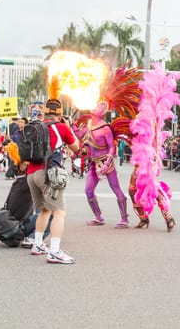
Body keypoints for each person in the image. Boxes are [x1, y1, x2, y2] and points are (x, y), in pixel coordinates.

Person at [27, 99, 79, 264]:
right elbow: (76, 147)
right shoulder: (61, 127)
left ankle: (38, 244)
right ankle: (54, 251)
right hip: (48, 173)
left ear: (45, 112)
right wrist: (69, 127)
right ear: (60, 114)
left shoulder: (36, 126)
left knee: (45, 210)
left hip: (31, 174)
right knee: (59, 212)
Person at [72, 101, 129, 228]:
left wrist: (107, 164)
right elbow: (80, 136)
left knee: (116, 189)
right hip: (94, 162)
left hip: (106, 163)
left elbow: (111, 148)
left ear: (102, 113)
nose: (94, 107)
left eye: (98, 107)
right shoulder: (90, 124)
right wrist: (72, 124)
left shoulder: (105, 128)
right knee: (88, 190)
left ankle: (124, 219)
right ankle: (98, 217)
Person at [128, 166, 176, 232]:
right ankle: (144, 218)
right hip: (140, 170)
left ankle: (168, 218)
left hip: (147, 169)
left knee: (153, 190)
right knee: (132, 190)